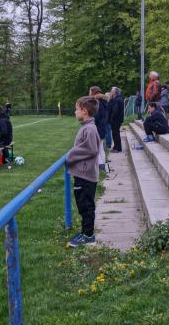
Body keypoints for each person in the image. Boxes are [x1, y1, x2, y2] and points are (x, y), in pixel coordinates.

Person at [66, 96, 101, 247]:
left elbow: (91, 149)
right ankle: (85, 232)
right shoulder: (87, 127)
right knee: (82, 205)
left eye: (77, 109)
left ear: (84, 111)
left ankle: (88, 236)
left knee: (86, 205)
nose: (75, 112)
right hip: (82, 174)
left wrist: (71, 155)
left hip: (86, 176)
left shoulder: (90, 129)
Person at [89, 86, 108, 169]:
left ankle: (101, 166)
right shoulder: (103, 101)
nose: (89, 93)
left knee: (95, 148)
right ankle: (103, 164)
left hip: (98, 128)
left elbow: (96, 116)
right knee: (100, 147)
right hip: (102, 127)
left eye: (90, 91)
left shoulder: (97, 102)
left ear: (93, 92)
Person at [108, 87, 124, 153]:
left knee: (115, 134)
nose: (110, 92)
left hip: (115, 120)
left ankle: (117, 148)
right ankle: (117, 147)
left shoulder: (116, 100)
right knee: (116, 133)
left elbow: (115, 110)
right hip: (118, 119)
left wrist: (111, 118)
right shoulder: (118, 99)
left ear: (114, 92)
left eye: (111, 91)